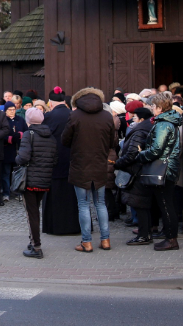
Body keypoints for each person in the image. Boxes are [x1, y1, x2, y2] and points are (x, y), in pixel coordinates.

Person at [62, 87, 118, 252]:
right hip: (100, 164)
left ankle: (86, 242)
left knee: (83, 204)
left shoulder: (75, 115)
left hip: (80, 165)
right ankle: (105, 239)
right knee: (100, 204)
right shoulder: (107, 116)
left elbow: (65, 139)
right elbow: (113, 142)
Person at [133, 93, 183, 251]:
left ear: (160, 108)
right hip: (167, 167)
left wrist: (141, 155)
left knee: (165, 204)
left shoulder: (163, 123)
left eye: (153, 107)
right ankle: (170, 237)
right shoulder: (168, 121)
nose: (151, 109)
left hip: (163, 168)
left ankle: (171, 239)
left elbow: (156, 149)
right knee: (166, 203)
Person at [15, 107, 54, 259]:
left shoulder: (28, 134)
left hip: (30, 179)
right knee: (35, 211)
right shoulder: (50, 136)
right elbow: (54, 158)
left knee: (32, 214)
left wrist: (17, 160)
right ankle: (33, 242)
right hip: (45, 179)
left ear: (29, 120)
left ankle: (36, 247)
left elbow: (23, 157)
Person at [116, 107, 157, 246]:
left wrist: (119, 163)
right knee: (143, 204)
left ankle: (144, 235)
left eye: (134, 117)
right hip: (141, 170)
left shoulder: (140, 131)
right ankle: (146, 232)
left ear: (140, 118)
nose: (132, 120)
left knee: (140, 203)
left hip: (137, 171)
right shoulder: (147, 128)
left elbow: (132, 153)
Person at [42, 87, 79, 235]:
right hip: (73, 162)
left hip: (55, 163)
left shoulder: (49, 117)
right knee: (74, 197)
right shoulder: (74, 115)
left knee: (56, 197)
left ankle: (55, 227)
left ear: (50, 103)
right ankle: (75, 226)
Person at [2, 103, 27, 202]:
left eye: (13, 109)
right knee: (6, 172)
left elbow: (26, 131)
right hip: (7, 150)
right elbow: (0, 134)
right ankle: (6, 193)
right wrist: (10, 138)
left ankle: (18, 191)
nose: (12, 111)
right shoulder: (3, 120)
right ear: (5, 110)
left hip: (18, 149)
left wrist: (21, 135)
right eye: (10, 109)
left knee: (19, 172)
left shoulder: (20, 120)